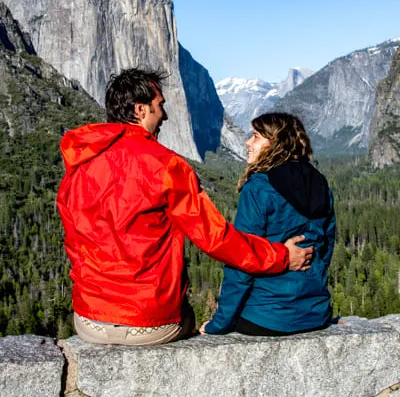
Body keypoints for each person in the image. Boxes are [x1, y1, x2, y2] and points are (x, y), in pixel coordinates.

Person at [55, 69, 313, 346]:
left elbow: (73, 239)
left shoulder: (80, 162)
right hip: (148, 322)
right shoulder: (166, 165)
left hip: (88, 320)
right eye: (160, 106)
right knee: (191, 321)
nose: (164, 116)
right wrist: (281, 256)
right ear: (141, 110)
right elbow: (216, 239)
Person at [201, 113, 336, 336]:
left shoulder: (258, 189)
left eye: (255, 137)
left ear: (275, 144)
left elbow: (241, 257)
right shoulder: (319, 182)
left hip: (266, 317)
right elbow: (325, 249)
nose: (247, 142)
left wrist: (220, 323)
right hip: (314, 314)